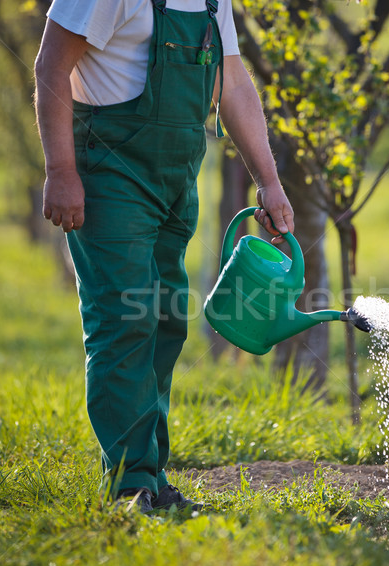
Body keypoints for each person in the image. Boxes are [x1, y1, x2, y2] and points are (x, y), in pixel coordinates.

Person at [35, 0, 294, 513]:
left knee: (167, 319)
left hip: (175, 181)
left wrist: (269, 181)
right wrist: (60, 168)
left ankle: (151, 476)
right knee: (126, 318)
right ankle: (130, 484)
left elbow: (234, 84)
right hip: (108, 174)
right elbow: (51, 66)